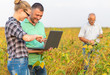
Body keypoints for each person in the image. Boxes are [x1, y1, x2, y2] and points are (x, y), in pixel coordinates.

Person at [5, 0, 44, 75]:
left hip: (21, 61)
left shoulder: (17, 24)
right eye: (27, 14)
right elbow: (26, 38)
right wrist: (35, 36)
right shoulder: (11, 23)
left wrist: (36, 39)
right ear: (21, 11)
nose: (28, 17)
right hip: (17, 62)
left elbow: (24, 41)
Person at [21, 3, 52, 75]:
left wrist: (47, 44)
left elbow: (43, 39)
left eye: (41, 16)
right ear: (30, 12)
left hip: (40, 63)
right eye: (37, 15)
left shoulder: (41, 25)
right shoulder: (22, 25)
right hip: (28, 64)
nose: (38, 18)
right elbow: (21, 47)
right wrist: (37, 50)